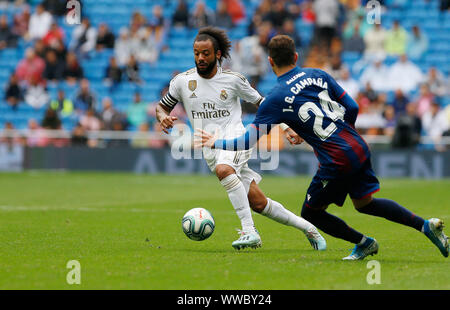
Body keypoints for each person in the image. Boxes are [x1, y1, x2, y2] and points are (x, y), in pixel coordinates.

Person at [196, 35, 449, 260]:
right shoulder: (318, 74)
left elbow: (246, 142)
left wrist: (215, 142)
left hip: (337, 160)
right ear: (296, 56)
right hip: (358, 146)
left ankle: (365, 243)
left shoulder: (274, 99)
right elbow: (352, 107)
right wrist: (340, 134)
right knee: (365, 204)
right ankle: (425, 225)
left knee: (312, 213)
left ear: (270, 62)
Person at [156, 27, 326, 251]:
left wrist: (286, 126)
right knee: (258, 203)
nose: (200, 58)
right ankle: (309, 229)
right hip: (210, 148)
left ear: (217, 54)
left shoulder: (233, 80)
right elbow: (162, 106)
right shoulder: (182, 82)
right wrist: (163, 117)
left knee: (224, 169)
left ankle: (249, 232)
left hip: (236, 138)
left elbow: (264, 104)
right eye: (196, 53)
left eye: (205, 53)